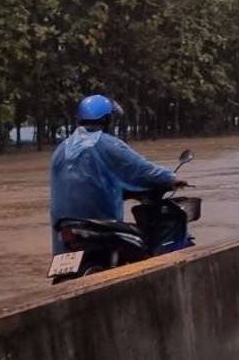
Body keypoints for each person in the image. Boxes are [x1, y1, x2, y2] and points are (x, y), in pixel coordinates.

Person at [48, 94, 186, 253]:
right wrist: (171, 179)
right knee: (136, 245)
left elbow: (88, 183)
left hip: (63, 225)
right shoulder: (108, 144)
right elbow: (140, 168)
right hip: (97, 223)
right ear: (107, 120)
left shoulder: (60, 149)